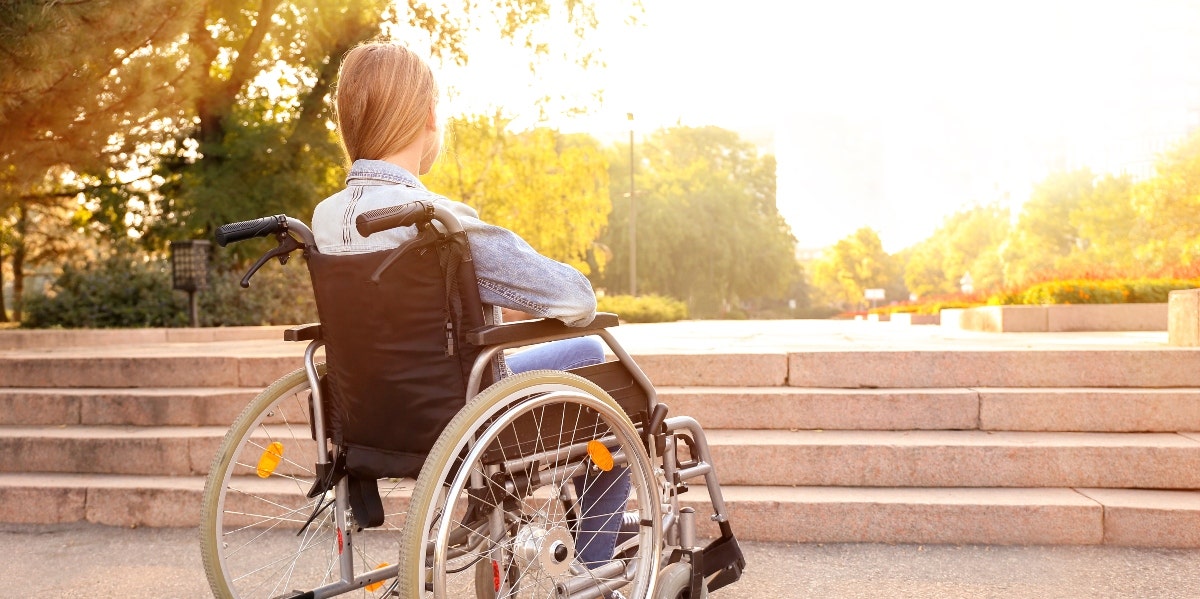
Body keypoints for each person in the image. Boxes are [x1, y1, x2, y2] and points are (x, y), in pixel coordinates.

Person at [310, 40, 630, 570]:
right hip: (466, 411)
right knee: (604, 376)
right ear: (429, 116)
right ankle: (597, 571)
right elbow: (574, 297)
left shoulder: (324, 221)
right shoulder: (436, 222)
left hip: (369, 416)